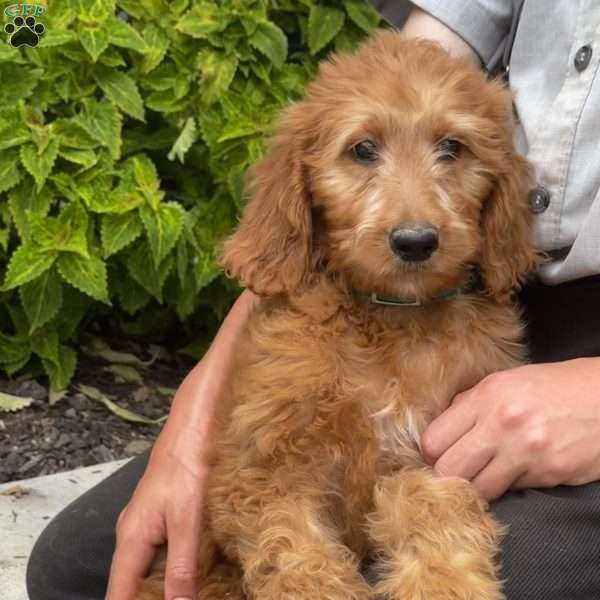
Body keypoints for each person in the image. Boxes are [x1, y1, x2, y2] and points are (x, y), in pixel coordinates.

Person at [26, 2, 600, 600]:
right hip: (482, 306)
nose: (413, 222)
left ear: (501, 189)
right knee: (88, 572)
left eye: (451, 150)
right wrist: (198, 409)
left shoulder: (485, 321)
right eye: (363, 152)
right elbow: (441, 45)